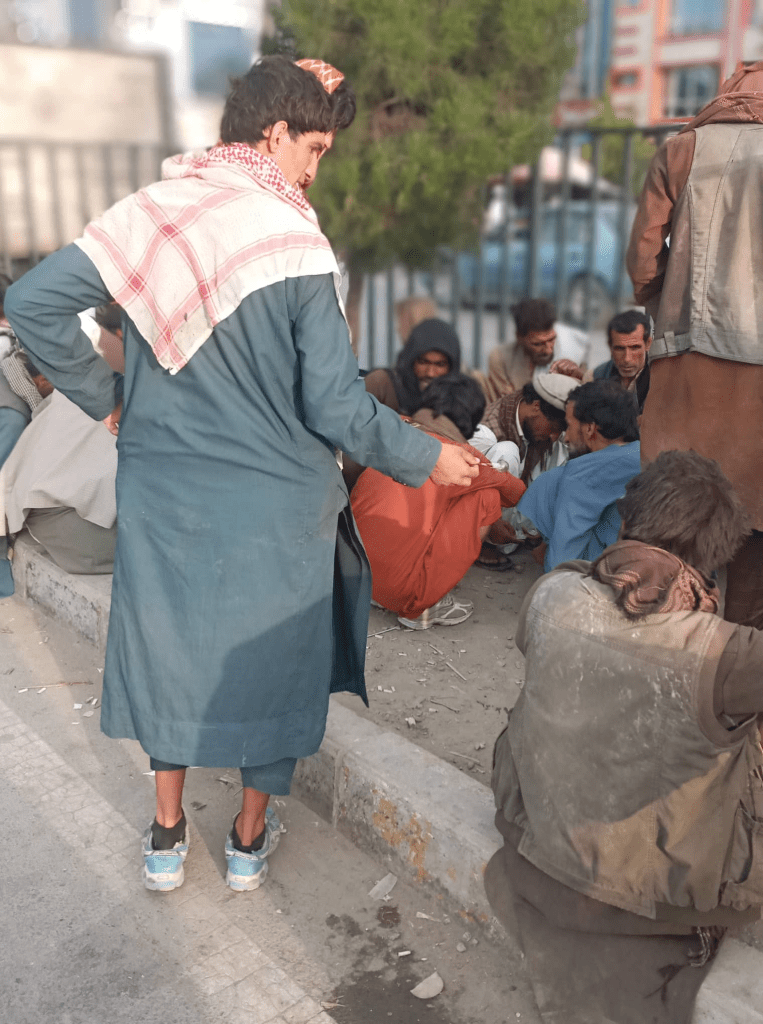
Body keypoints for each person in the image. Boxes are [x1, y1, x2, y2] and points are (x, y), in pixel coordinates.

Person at [4, 56, 478, 894]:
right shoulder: (294, 241)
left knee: (170, 649)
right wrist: (426, 455)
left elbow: (33, 301)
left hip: (165, 494)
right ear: (275, 132)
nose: (315, 169)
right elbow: (334, 403)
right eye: (314, 148)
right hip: (277, 503)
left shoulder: (154, 214)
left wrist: (110, 400)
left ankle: (165, 834)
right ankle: (247, 840)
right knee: (274, 663)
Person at [486, 451, 763, 1024]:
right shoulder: (729, 654)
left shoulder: (553, 591)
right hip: (649, 908)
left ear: (628, 518)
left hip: (535, 853)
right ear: (717, 551)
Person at [626, 60, 763, 631]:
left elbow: (642, 260)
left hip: (686, 364)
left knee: (672, 517)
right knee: (756, 533)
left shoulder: (682, 150)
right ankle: (736, 658)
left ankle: (662, 635)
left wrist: (664, 304)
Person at [351, 374, 525, 628]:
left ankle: (382, 589)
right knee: (486, 496)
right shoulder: (461, 457)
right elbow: (514, 491)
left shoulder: (393, 428)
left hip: (355, 575)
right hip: (398, 592)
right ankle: (423, 606)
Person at [0, 369, 117, 589]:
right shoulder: (14, 415)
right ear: (43, 380)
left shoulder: (73, 391)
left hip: (41, 513)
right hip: (74, 533)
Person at [517, 379, 641, 571]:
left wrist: (551, 562)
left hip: (622, 569)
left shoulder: (584, 472)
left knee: (550, 483)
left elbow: (562, 567)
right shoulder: (643, 451)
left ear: (589, 428)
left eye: (568, 426)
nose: (566, 437)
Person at [474, 297, 589, 403]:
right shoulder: (500, 358)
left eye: (551, 339)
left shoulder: (572, 351)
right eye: (537, 344)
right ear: (519, 337)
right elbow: (509, 404)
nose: (548, 350)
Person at [362, 316, 461, 414]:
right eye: (423, 362)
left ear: (451, 367)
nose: (430, 373)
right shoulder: (381, 384)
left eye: (440, 365)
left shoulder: (457, 400)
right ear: (411, 361)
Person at [592, 308, 652, 412]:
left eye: (635, 347)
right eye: (619, 348)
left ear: (648, 344)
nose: (627, 359)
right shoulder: (600, 374)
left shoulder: (658, 376)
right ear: (610, 346)